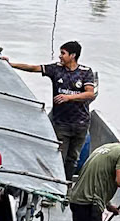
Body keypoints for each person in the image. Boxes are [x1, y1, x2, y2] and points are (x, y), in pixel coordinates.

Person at [6, 40, 97, 177]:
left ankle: (67, 184)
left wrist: (68, 97)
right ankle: (56, 182)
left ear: (73, 55)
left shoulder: (85, 72)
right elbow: (33, 68)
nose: (60, 56)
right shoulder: (56, 69)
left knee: (73, 158)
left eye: (63, 53)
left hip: (81, 124)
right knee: (59, 157)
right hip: (61, 123)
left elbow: (90, 93)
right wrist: (10, 64)